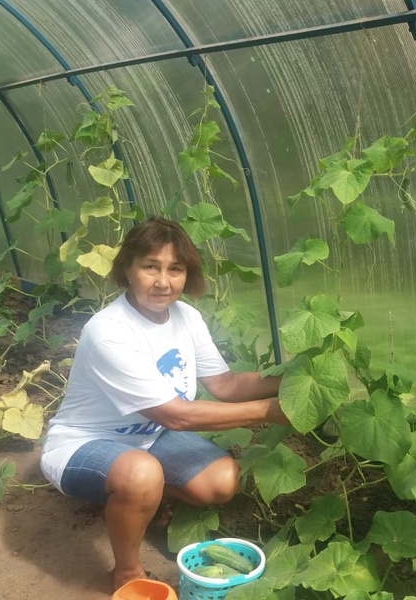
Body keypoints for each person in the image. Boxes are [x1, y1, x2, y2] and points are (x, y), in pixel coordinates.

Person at [39, 216, 289, 590]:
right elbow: (175, 415)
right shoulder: (109, 332)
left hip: (150, 439)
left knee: (222, 482)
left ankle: (139, 498)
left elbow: (226, 384)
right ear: (127, 268)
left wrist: (295, 381)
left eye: (176, 269)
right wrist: (270, 411)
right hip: (83, 444)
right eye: (150, 267)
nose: (163, 281)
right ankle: (125, 569)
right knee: (141, 474)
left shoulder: (187, 317)